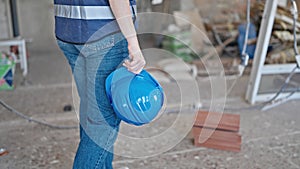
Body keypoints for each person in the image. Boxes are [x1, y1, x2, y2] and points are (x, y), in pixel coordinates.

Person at [54, 0, 145, 168]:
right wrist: (133, 43)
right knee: (103, 121)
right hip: (104, 35)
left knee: (92, 111)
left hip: (68, 32)